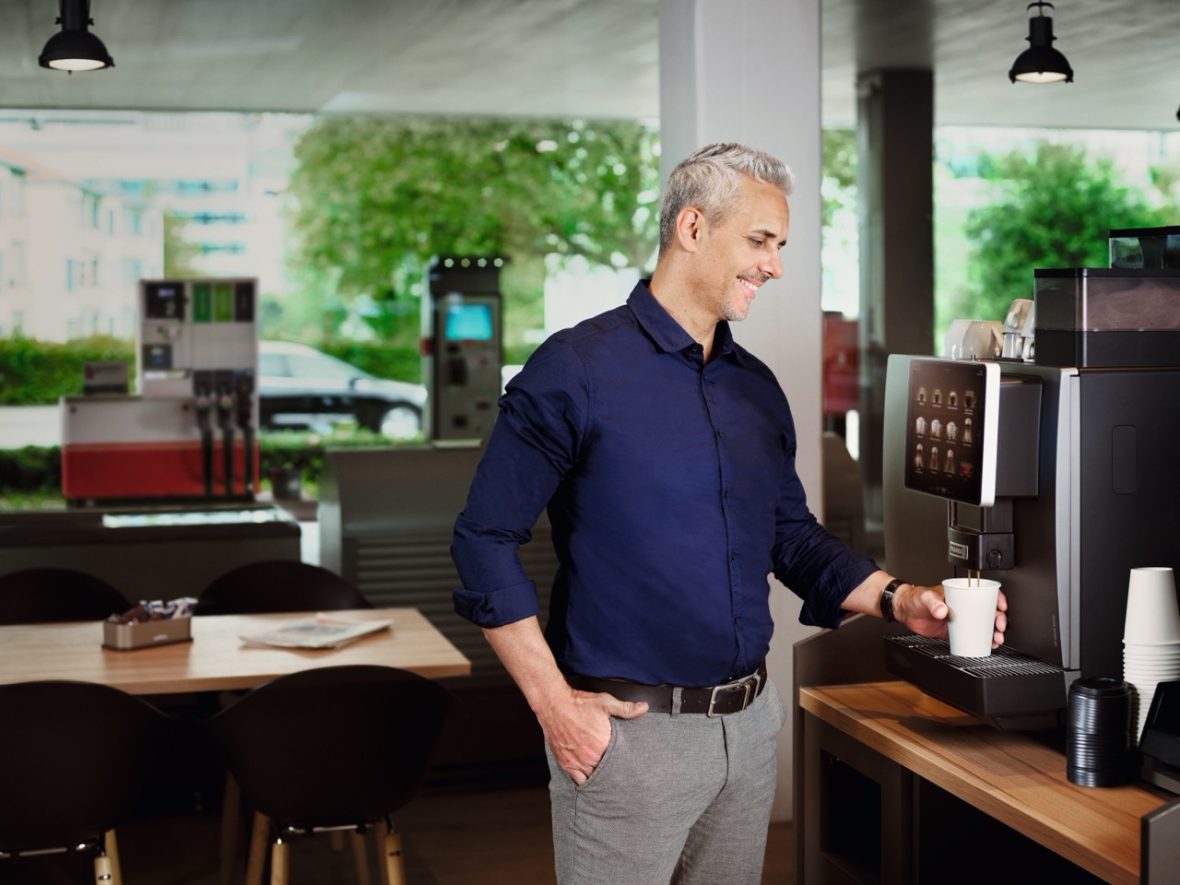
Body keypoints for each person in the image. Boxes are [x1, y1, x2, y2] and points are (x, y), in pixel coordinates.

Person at [451, 142, 1007, 885]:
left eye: (780, 245)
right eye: (759, 241)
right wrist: (556, 707)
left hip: (747, 732)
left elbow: (789, 536)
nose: (774, 265)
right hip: (628, 739)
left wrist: (898, 598)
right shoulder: (576, 369)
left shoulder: (756, 391)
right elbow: (482, 540)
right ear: (691, 228)